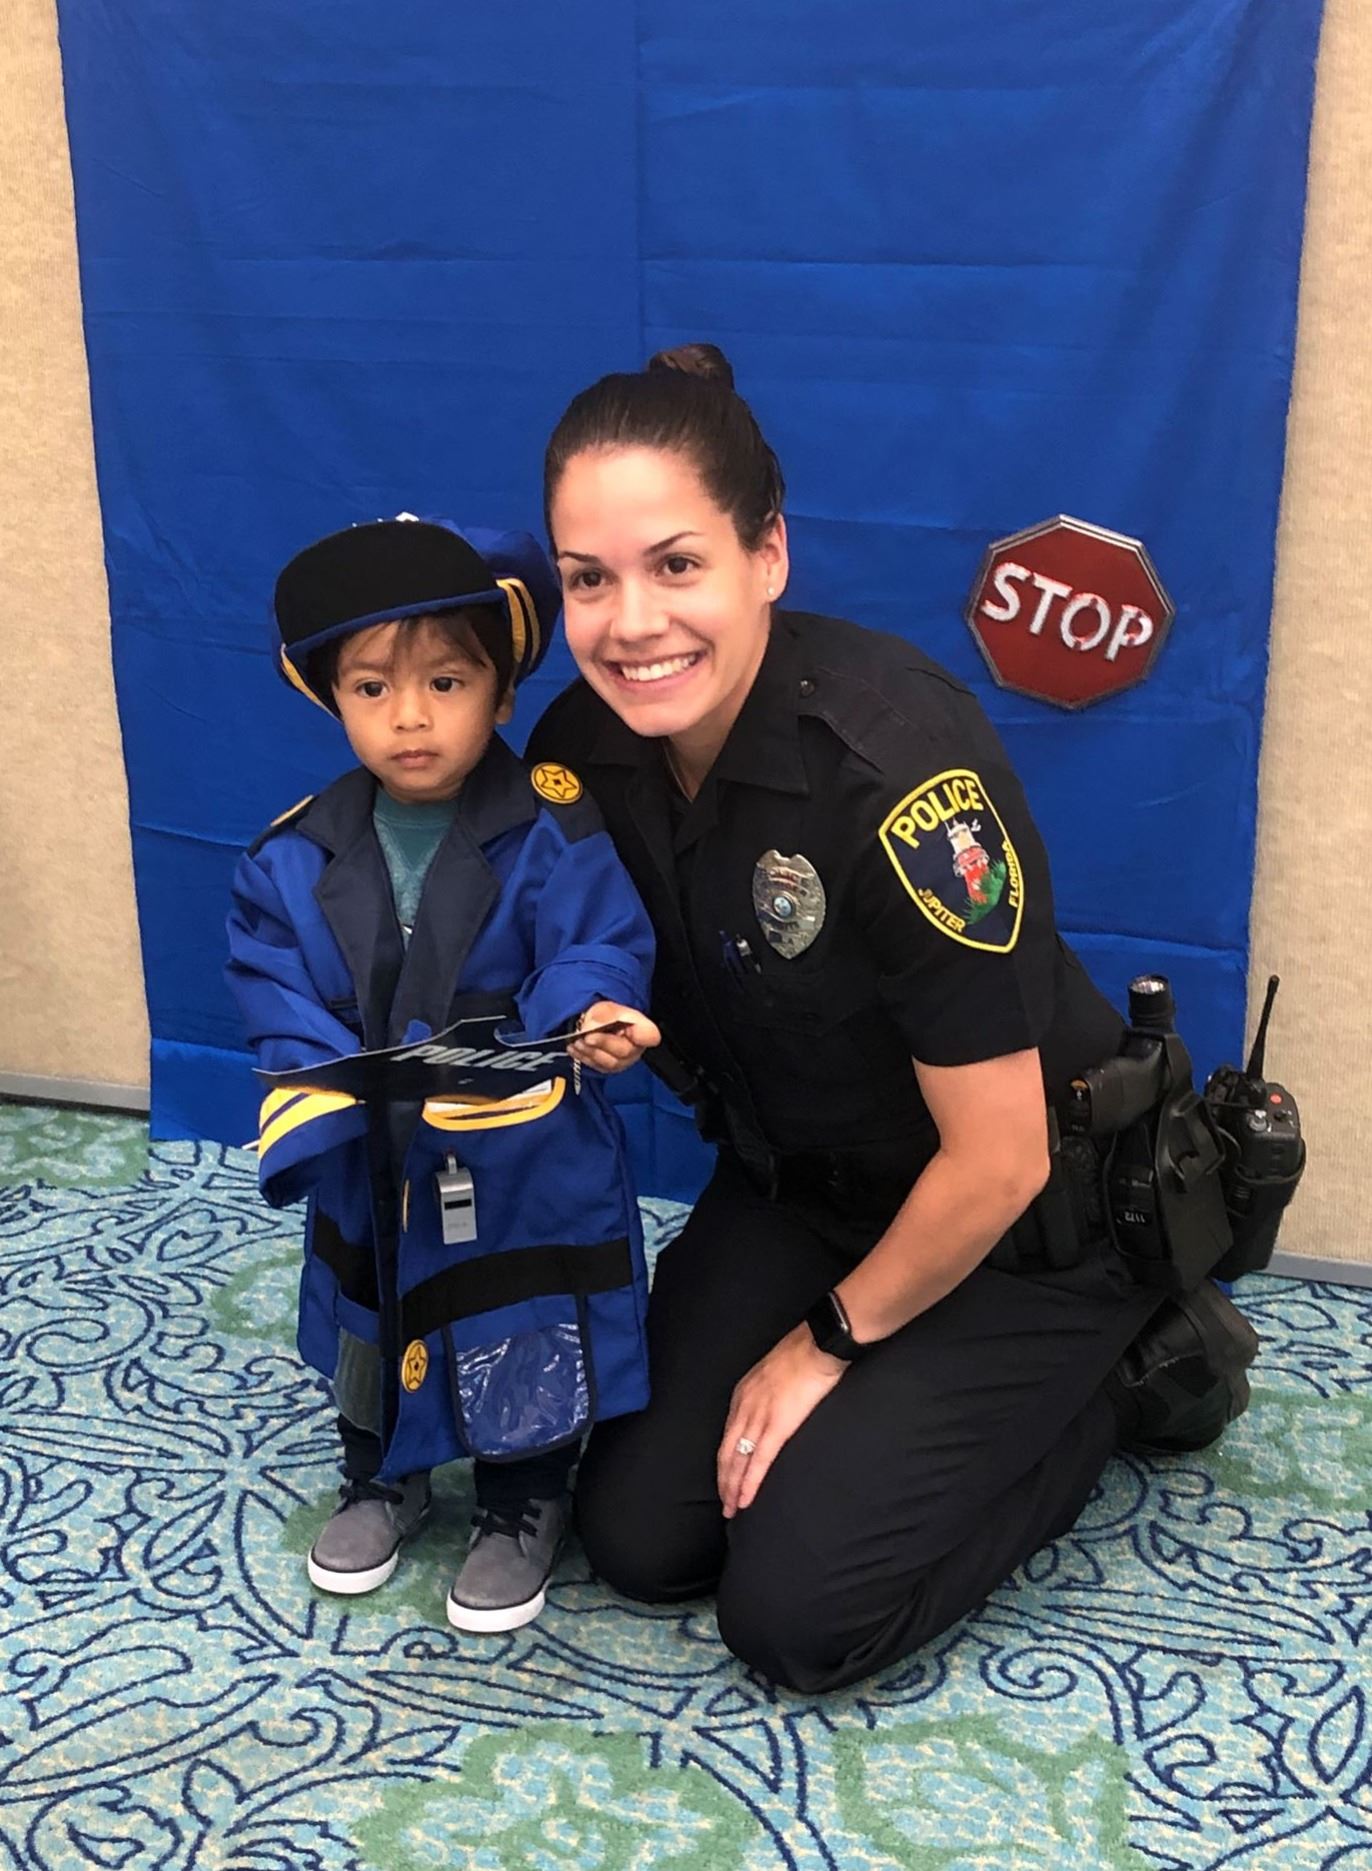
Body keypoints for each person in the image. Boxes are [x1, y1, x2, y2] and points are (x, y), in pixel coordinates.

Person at [526, 343, 1260, 1693]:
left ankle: (1116, 1356)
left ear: (770, 557)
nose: (632, 620)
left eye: (677, 564)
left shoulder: (897, 776)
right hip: (805, 1185)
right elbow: (579, 940)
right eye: (590, 577)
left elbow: (998, 1155)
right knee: (635, 1533)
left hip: (1032, 1217)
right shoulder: (584, 743)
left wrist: (827, 1344)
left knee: (798, 1614)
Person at [226, 515, 660, 1633]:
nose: (408, 715)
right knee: (374, 1305)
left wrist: (589, 1014)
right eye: (371, 686)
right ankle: (382, 1471)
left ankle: (522, 1498)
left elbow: (594, 939)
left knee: (517, 1313)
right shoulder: (293, 853)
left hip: (514, 1144)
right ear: (333, 698)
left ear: (502, 694)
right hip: (374, 1148)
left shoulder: (552, 827)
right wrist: (322, 1089)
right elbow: (271, 980)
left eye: (446, 679)